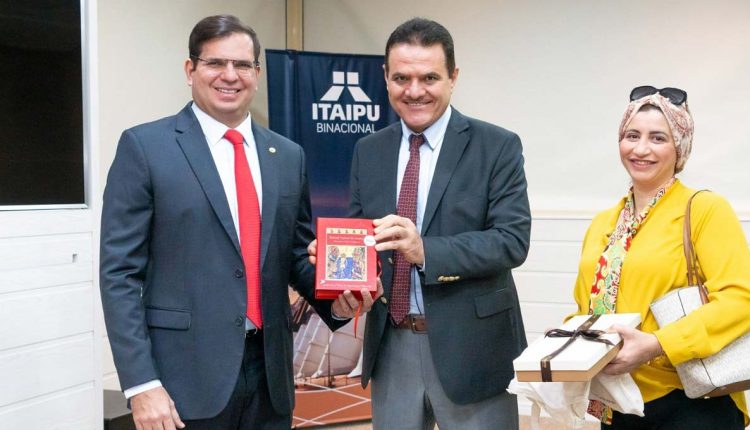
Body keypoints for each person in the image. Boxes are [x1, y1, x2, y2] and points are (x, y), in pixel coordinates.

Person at [100, 15, 374, 430]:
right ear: (190, 69)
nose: (230, 76)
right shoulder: (145, 148)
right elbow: (119, 274)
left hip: (270, 377)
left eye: (243, 65)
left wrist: (334, 301)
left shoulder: (288, 156)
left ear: (258, 75)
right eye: (215, 63)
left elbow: (295, 255)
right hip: (183, 381)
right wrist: (141, 384)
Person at [311, 17, 531, 429]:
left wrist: (425, 250)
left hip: (473, 350)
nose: (414, 91)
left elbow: (511, 241)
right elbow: (365, 245)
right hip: (391, 346)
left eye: (429, 77)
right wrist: (342, 278)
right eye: (402, 78)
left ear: (453, 77)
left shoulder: (496, 146)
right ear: (386, 78)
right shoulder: (368, 151)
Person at [569, 86, 750, 429]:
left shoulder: (704, 209)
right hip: (617, 402)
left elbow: (741, 298)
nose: (641, 149)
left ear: (679, 148)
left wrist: (656, 344)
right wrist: (570, 338)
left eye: (658, 138)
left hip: (690, 403)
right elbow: (586, 306)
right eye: (631, 135)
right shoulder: (603, 223)